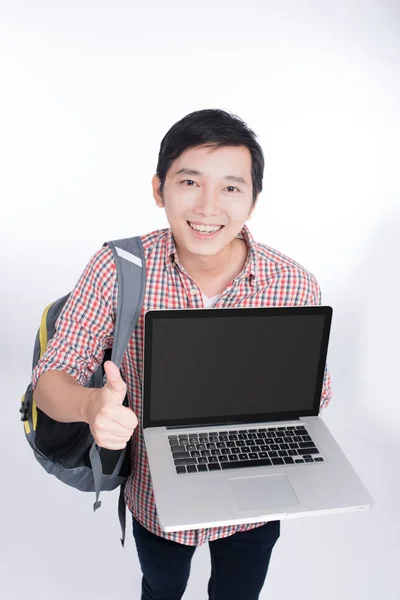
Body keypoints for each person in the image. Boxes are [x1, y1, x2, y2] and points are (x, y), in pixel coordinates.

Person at [31, 108, 332, 600]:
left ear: (253, 200)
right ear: (159, 189)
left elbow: (315, 386)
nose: (209, 207)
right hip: (156, 493)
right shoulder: (118, 268)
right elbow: (51, 377)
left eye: (231, 187)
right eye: (190, 181)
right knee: (162, 587)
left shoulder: (294, 282)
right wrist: (90, 407)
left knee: (240, 591)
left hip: (258, 488)